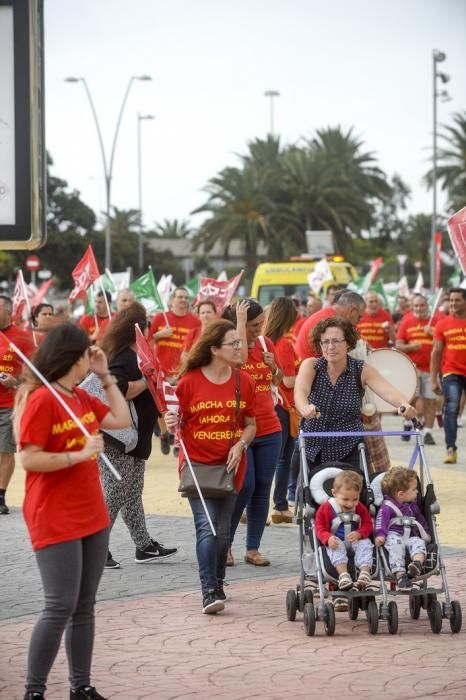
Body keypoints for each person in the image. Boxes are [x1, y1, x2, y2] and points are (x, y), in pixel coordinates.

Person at [14, 323, 130, 700]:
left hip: (91, 512)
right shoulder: (41, 399)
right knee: (59, 604)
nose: (89, 359)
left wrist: (105, 375)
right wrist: (77, 455)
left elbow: (121, 420)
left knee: (84, 604)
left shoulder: (79, 396)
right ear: (71, 357)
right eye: (87, 354)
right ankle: (34, 690)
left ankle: (81, 685)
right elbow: (29, 458)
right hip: (53, 512)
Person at [165, 320, 256, 614]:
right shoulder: (189, 381)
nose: (240, 347)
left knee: (223, 529)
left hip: (230, 466)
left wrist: (241, 444)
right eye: (234, 343)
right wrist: (169, 422)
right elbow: (171, 422)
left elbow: (251, 424)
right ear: (215, 349)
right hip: (196, 464)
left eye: (239, 343)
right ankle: (208, 590)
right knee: (206, 528)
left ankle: (217, 579)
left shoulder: (245, 381)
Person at [98, 303, 178, 568]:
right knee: (116, 493)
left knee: (132, 492)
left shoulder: (138, 356)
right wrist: (148, 379)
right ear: (139, 330)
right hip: (118, 438)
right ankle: (96, 549)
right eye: (147, 327)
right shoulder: (122, 357)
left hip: (133, 438)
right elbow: (118, 389)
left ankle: (144, 546)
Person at [294, 317, 418, 472]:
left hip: (350, 448)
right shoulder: (311, 365)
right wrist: (305, 407)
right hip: (312, 448)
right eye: (325, 342)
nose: (330, 347)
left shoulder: (360, 369)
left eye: (336, 341)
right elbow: (300, 391)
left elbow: (387, 390)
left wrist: (403, 404)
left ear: (348, 343)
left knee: (358, 493)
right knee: (307, 493)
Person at [228, 299, 283, 567]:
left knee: (262, 488)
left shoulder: (264, 344)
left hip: (270, 427)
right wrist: (239, 325)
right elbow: (235, 365)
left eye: (260, 324)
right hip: (241, 430)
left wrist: (273, 367)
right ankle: (224, 544)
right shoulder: (232, 347)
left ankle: (253, 548)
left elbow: (278, 379)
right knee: (243, 486)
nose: (258, 329)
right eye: (253, 325)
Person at [149, 287, 201, 455]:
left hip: (183, 370)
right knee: (161, 407)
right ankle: (164, 434)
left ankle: (179, 441)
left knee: (181, 406)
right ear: (172, 300)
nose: (183, 300)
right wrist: (160, 335)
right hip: (161, 369)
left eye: (186, 297)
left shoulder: (194, 321)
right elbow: (146, 340)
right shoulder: (160, 318)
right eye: (179, 297)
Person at [262, 297, 299, 524]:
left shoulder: (263, 342)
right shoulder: (284, 344)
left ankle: (275, 505)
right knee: (282, 458)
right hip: (283, 405)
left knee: (273, 459)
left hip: (270, 403)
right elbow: (290, 380)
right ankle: (280, 505)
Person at [0, 295, 35, 515]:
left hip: (8, 404)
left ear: (9, 312)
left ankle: (0, 495)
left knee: (4, 450)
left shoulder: (22, 339)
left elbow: (35, 373)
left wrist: (16, 382)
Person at [315, 471, 373, 590]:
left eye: (355, 499)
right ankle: (343, 575)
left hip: (354, 540)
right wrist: (328, 538)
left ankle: (364, 572)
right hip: (336, 540)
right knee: (335, 546)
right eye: (345, 499)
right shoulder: (326, 508)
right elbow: (320, 527)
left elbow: (368, 524)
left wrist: (360, 533)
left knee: (366, 543)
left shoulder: (359, 507)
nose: (350, 503)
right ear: (334, 493)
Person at [375, 466, 431, 591]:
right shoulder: (387, 507)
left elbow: (421, 521)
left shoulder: (413, 506)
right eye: (414, 489)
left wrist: (426, 533)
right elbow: (380, 522)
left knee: (419, 542)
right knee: (395, 545)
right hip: (393, 535)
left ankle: (416, 564)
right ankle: (400, 575)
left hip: (410, 536)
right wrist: (380, 535)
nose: (417, 492)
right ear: (401, 494)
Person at [430, 287, 466, 464]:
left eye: (457, 300)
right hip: (452, 372)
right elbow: (436, 352)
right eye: (451, 300)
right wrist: (433, 379)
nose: (453, 304)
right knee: (451, 409)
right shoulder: (443, 324)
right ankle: (450, 448)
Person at [396, 294, 438, 444]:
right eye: (416, 306)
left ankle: (427, 432)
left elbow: (445, 343)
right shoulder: (407, 321)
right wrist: (412, 346)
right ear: (412, 307)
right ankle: (407, 423)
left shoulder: (436, 321)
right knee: (411, 399)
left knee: (430, 401)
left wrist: (433, 333)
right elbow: (398, 345)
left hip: (431, 369)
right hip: (412, 369)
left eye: (422, 305)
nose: (419, 308)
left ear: (427, 306)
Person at [294, 290, 366, 360]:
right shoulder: (329, 322)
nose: (360, 320)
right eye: (359, 317)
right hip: (310, 368)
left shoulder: (331, 316)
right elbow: (332, 357)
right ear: (352, 311)